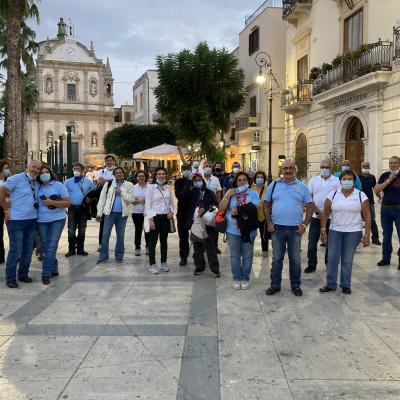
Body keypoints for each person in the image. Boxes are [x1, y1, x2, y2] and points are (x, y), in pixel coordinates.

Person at [263, 160, 313, 297]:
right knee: (277, 259)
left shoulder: (302, 187)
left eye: (291, 168)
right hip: (277, 228)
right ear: (282, 170)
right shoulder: (274, 185)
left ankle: (295, 285)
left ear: (295, 170)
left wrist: (304, 225)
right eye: (285, 168)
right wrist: (269, 222)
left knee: (295, 259)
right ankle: (275, 285)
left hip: (295, 230)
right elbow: (265, 204)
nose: (288, 170)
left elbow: (310, 206)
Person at [319, 170, 371, 294]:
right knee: (332, 257)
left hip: (353, 231)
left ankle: (345, 284)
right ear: (340, 181)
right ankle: (331, 284)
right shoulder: (333, 194)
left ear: (354, 181)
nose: (347, 181)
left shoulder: (360, 195)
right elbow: (325, 214)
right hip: (335, 230)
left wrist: (367, 235)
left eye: (349, 179)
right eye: (344, 179)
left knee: (347, 258)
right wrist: (323, 230)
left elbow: (368, 216)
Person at [0, 160, 41, 288]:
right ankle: (11, 278)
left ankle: (23, 274)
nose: (35, 170)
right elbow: (1, 192)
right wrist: (6, 210)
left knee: (28, 250)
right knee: (16, 249)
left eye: (38, 169)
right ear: (27, 167)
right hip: (16, 220)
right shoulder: (16, 178)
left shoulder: (37, 181)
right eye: (33, 167)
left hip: (32, 220)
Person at [219, 171, 259, 290]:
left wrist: (240, 211)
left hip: (248, 229)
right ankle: (236, 278)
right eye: (239, 180)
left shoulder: (253, 193)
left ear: (248, 181)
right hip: (233, 230)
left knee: (247, 255)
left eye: (244, 180)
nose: (242, 182)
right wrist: (227, 196)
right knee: (235, 256)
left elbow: (256, 208)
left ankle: (245, 277)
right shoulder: (230, 193)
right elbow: (221, 208)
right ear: (236, 182)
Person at [305, 159, 340, 273]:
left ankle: (328, 264)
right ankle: (311, 264)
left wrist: (326, 213)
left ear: (331, 169)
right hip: (315, 217)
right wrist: (318, 212)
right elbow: (309, 198)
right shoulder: (313, 180)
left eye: (327, 167)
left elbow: (338, 198)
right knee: (312, 241)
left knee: (330, 243)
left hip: (331, 217)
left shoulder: (336, 181)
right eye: (322, 167)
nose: (324, 169)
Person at [37, 165, 70, 284]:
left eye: (46, 172)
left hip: (57, 219)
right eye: (41, 173)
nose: (44, 174)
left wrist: (52, 202)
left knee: (51, 246)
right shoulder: (37, 186)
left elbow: (67, 203)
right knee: (47, 247)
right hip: (41, 221)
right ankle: (54, 268)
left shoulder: (58, 185)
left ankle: (46, 274)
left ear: (50, 173)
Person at [96, 167, 134, 264]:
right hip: (109, 213)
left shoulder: (129, 185)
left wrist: (121, 193)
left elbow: (131, 199)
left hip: (122, 214)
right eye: (116, 173)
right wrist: (99, 213)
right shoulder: (108, 184)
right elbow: (102, 199)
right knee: (105, 235)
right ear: (114, 174)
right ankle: (103, 256)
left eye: (120, 172)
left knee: (120, 235)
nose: (118, 174)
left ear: (123, 173)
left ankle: (119, 256)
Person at [187, 173, 220, 276]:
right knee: (197, 244)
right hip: (195, 222)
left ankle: (215, 269)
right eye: (195, 180)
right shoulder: (191, 192)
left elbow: (215, 204)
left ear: (203, 181)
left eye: (199, 180)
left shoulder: (209, 192)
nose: (197, 181)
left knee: (210, 245)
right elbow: (182, 196)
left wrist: (204, 209)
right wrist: (189, 180)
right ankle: (199, 267)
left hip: (207, 222)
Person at [145, 166, 175, 274]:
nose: (161, 175)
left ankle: (163, 263)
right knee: (152, 242)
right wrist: (151, 219)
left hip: (165, 218)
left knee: (164, 241)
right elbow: (148, 205)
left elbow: (171, 202)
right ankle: (152, 264)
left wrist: (171, 211)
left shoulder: (168, 188)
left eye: (163, 173)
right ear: (155, 175)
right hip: (155, 217)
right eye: (159, 174)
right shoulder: (151, 188)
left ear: (165, 175)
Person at [374, 156, 400, 268]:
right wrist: (389, 180)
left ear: (399, 164)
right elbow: (376, 190)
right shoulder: (384, 175)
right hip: (386, 209)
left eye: (395, 163)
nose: (393, 165)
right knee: (386, 235)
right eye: (391, 163)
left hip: (399, 208)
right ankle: (385, 258)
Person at [64, 163, 95, 257]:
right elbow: (63, 194)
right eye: (74, 169)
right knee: (71, 230)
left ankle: (81, 249)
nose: (75, 171)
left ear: (82, 171)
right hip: (72, 208)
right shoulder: (68, 182)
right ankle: (71, 249)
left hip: (83, 209)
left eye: (78, 169)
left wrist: (90, 199)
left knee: (82, 230)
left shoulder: (89, 182)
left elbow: (93, 193)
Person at [358, 161, 381, 246]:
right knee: (358, 220)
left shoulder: (372, 177)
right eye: (364, 166)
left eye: (367, 166)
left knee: (372, 220)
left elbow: (375, 188)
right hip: (359, 202)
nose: (365, 168)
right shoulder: (357, 177)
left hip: (370, 202)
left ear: (369, 167)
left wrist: (380, 197)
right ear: (361, 167)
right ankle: (358, 238)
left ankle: (375, 238)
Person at [95, 154, 115, 249]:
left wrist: (106, 181)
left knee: (118, 224)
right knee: (103, 225)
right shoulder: (101, 171)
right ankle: (101, 244)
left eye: (110, 160)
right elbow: (99, 182)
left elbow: (118, 181)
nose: (109, 162)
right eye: (107, 161)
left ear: (113, 161)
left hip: (115, 199)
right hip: (104, 198)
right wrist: (109, 181)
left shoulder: (117, 171)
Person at [174, 163, 192, 266]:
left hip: (194, 212)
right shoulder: (179, 182)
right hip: (182, 213)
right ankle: (183, 256)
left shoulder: (196, 181)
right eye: (184, 169)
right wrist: (188, 182)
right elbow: (180, 195)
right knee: (183, 236)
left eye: (188, 169)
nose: (186, 171)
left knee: (197, 234)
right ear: (181, 171)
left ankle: (198, 255)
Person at [132, 170, 150, 256]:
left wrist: (146, 201)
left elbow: (152, 200)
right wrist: (139, 201)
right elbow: (130, 201)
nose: (141, 177)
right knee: (138, 230)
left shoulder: (150, 187)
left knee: (147, 230)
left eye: (143, 176)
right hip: (136, 212)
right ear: (136, 178)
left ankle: (148, 247)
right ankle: (137, 247)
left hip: (147, 212)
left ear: (146, 177)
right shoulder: (133, 187)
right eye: (139, 176)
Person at [252, 170, 269, 257]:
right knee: (251, 235)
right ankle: (249, 251)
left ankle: (265, 252)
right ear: (255, 179)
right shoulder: (251, 189)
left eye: (261, 177)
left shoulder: (267, 189)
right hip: (253, 217)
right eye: (258, 177)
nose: (260, 179)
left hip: (263, 216)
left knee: (264, 235)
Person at [0, 160, 10, 264]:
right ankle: (1, 257)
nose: (7, 170)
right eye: (6, 167)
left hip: (9, 207)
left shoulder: (10, 180)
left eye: (8, 167)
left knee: (12, 231)